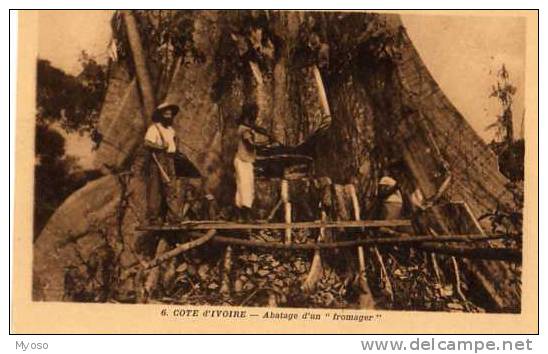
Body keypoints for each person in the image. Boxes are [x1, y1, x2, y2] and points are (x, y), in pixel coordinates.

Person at [144, 102, 180, 224]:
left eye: (170, 114)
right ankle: (153, 218)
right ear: (161, 115)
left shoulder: (171, 130)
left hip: (170, 159)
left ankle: (173, 217)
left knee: (172, 187)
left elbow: (174, 144)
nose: (168, 116)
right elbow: (147, 143)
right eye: (166, 113)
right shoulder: (154, 128)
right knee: (155, 188)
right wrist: (160, 147)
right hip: (158, 160)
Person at [233, 103, 267, 222]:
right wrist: (264, 145)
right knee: (246, 187)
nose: (256, 115)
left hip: (244, 159)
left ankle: (240, 216)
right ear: (250, 113)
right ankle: (245, 215)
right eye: (255, 113)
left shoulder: (247, 127)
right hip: (243, 160)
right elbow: (250, 144)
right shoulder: (244, 129)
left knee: (242, 187)